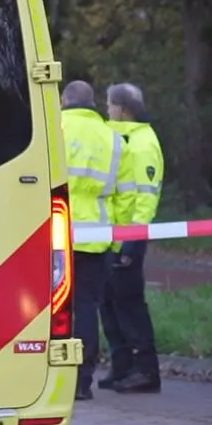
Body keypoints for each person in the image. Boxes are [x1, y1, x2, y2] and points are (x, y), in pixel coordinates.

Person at [101, 82, 165, 393]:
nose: (106, 110)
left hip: (128, 237)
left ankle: (146, 371)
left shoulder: (143, 144)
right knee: (111, 305)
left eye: (110, 105)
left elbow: (146, 197)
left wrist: (134, 240)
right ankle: (122, 366)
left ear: (123, 109)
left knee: (130, 306)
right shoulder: (123, 138)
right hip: (112, 237)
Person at [61, 79, 123, 401]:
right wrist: (118, 238)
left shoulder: (53, 126)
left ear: (64, 100)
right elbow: (119, 195)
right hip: (97, 234)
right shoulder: (112, 137)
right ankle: (82, 381)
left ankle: (53, 379)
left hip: (55, 231)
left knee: (53, 309)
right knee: (87, 308)